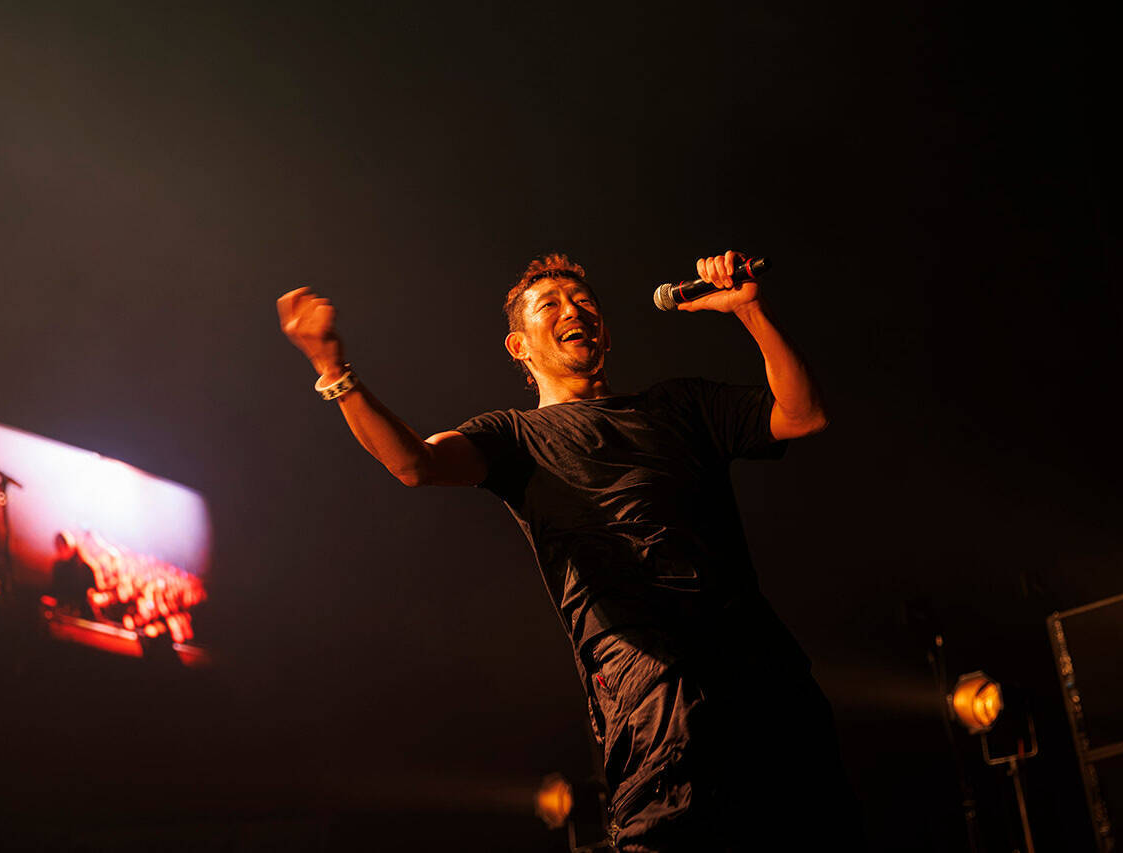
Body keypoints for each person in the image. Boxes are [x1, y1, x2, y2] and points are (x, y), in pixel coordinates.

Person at [277, 251, 861, 851]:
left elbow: (803, 416)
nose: (573, 311)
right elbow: (414, 464)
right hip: (651, 681)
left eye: (584, 303)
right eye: (550, 305)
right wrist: (333, 369)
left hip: (763, 670)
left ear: (604, 331)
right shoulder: (512, 437)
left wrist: (750, 310)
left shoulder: (680, 406)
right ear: (519, 347)